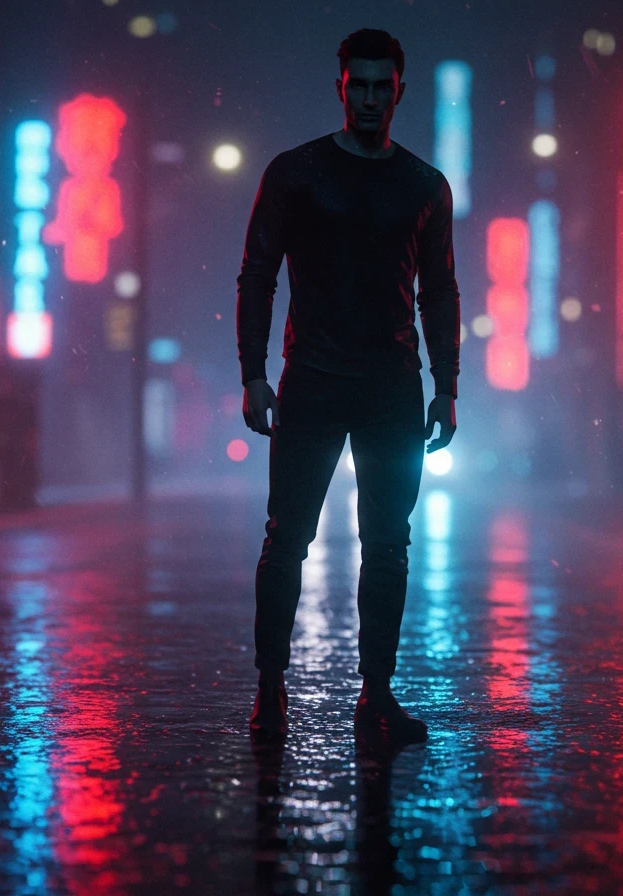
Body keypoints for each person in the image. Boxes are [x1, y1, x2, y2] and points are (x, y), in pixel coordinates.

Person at [236, 28, 460, 744]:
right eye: (356, 84)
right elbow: (258, 273)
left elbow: (441, 292)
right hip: (314, 381)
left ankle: (376, 697)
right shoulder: (298, 173)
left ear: (398, 90)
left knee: (388, 544)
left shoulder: (424, 186)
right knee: (288, 537)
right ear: (341, 88)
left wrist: (447, 385)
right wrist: (253, 374)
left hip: (391, 385)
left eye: (379, 86)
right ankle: (271, 692)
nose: (367, 97)